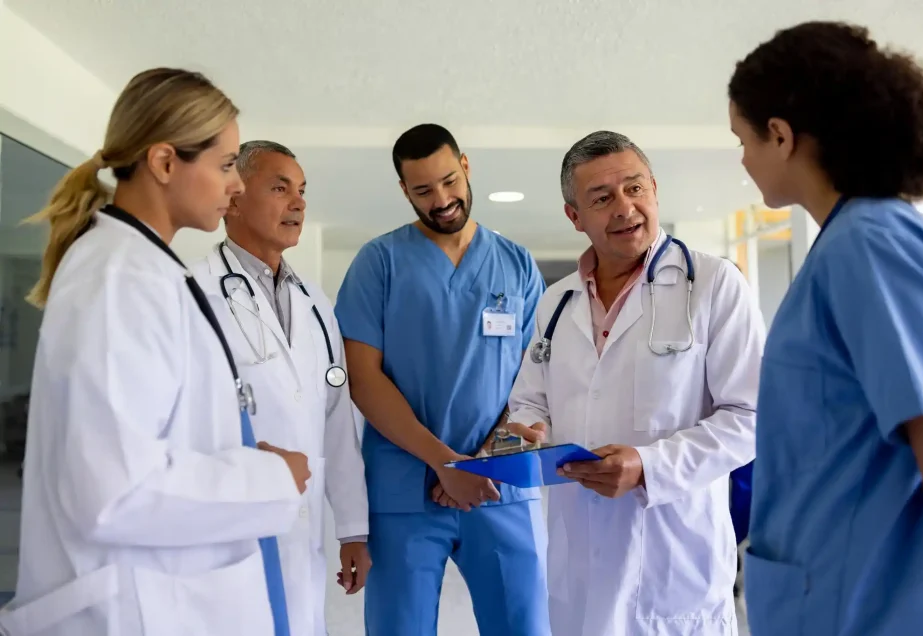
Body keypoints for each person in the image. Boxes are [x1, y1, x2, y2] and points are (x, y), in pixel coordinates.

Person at [728, 21, 923, 635]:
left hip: (880, 612)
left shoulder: (869, 245)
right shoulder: (851, 244)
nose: (744, 159)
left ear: (780, 135)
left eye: (743, 139)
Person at [2, 68, 310, 635]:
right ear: (165, 162)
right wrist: (269, 477)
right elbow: (114, 492)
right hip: (129, 612)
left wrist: (241, 455)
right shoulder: (120, 279)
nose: (236, 185)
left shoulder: (145, 269)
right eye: (226, 165)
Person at [505, 130, 764, 636]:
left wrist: (649, 466)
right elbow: (530, 400)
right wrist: (528, 430)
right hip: (579, 558)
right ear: (574, 216)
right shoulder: (555, 302)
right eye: (601, 198)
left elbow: (751, 416)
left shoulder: (713, 283)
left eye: (635, 188)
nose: (625, 208)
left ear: (655, 189)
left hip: (674, 558)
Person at [335, 123, 549, 636]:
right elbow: (363, 379)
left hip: (499, 484)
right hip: (405, 492)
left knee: (524, 627)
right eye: (423, 190)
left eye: (450, 181)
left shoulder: (516, 264)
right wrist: (445, 464)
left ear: (466, 166)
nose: (442, 200)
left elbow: (535, 379)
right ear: (404, 190)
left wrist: (482, 462)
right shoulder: (379, 263)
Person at [190, 140, 370, 636]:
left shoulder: (315, 302)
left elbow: (337, 420)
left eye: (302, 191)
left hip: (303, 527)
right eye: (279, 188)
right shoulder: (195, 292)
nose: (299, 203)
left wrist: (353, 528)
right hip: (231, 524)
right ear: (234, 199)